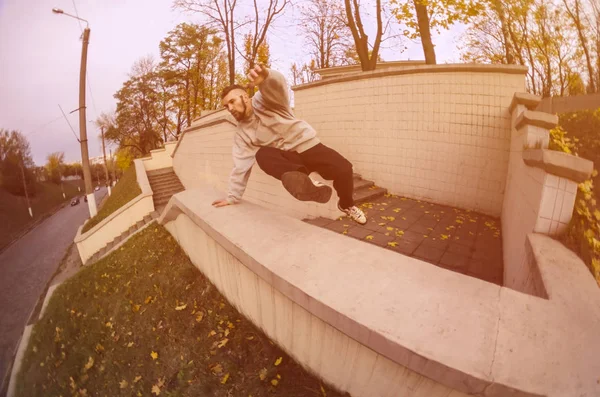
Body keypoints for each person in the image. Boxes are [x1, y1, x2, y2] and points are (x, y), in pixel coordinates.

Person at [211, 64, 367, 225]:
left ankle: (346, 205)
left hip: (309, 146)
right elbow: (240, 167)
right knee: (262, 154)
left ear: (244, 96)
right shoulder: (242, 134)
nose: (230, 108)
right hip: (289, 159)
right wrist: (232, 197)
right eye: (226, 106)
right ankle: (305, 181)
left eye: (232, 102)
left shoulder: (265, 100)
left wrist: (266, 76)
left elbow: (278, 86)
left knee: (345, 169)